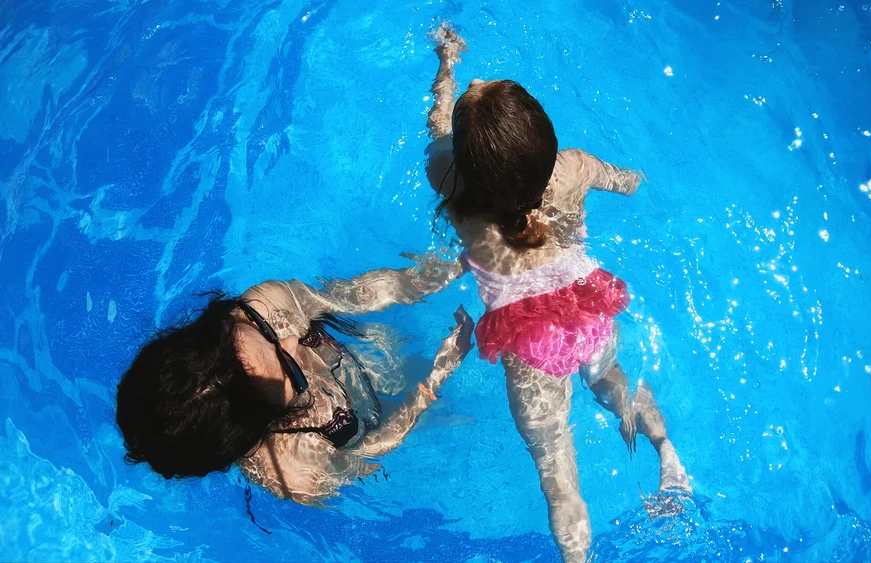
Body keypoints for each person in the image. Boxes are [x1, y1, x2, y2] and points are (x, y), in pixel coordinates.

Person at [424, 24, 691, 562]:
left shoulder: (447, 180)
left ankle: (578, 558)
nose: (481, 75)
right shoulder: (572, 167)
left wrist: (447, 66)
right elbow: (629, 180)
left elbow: (436, 123)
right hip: (586, 305)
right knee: (614, 382)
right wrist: (634, 177)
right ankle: (668, 455)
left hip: (529, 342)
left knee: (557, 467)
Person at [116, 254, 472, 506]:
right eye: (290, 372)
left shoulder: (263, 309)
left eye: (266, 338)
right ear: (254, 434)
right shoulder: (295, 470)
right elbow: (373, 448)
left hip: (372, 352)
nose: (290, 341)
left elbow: (353, 296)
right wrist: (438, 375)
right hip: (387, 414)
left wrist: (455, 267)